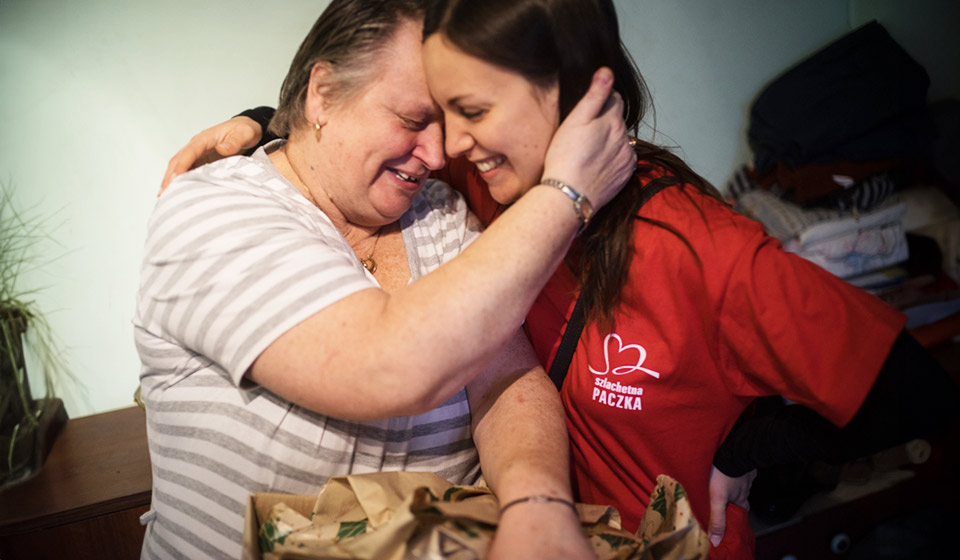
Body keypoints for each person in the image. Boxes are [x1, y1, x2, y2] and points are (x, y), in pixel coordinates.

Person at [162, 0, 960, 557]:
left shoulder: (693, 248)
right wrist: (266, 124)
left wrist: (761, 444)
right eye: (430, 116)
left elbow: (919, 387)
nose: (444, 148)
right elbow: (385, 330)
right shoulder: (491, 195)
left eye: (463, 112)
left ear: (574, 97)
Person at [136, 1, 636, 559]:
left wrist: (536, 508)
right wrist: (567, 193)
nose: (439, 151)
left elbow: (506, 378)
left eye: (448, 120)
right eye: (414, 119)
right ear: (322, 94)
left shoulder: (442, 212)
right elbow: (383, 365)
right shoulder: (211, 207)